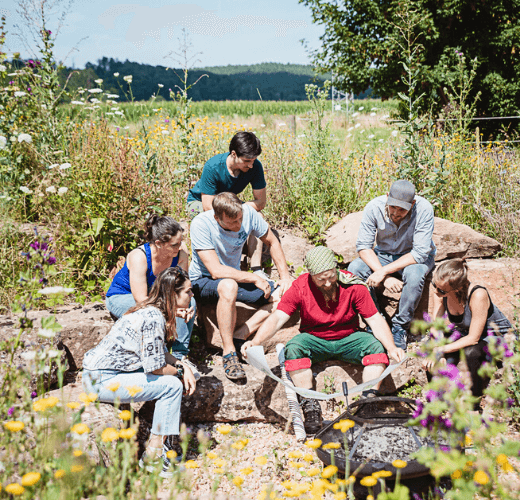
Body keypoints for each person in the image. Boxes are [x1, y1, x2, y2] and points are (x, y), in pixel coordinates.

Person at [242, 246, 405, 434]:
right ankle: (310, 405)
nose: (327, 284)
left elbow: (374, 319)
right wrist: (256, 342)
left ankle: (367, 404)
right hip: (314, 338)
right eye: (321, 279)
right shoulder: (300, 287)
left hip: (349, 336)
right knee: (294, 347)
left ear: (336, 270)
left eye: (331, 277)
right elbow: (278, 317)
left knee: (376, 347)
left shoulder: (353, 285)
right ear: (311, 275)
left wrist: (391, 347)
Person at [83, 267, 197, 478]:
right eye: (188, 291)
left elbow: (161, 352)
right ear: (173, 294)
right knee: (172, 386)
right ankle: (153, 459)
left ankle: (166, 446)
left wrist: (184, 366)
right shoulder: (153, 318)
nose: (192, 295)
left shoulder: (153, 310)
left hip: (104, 375)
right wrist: (181, 371)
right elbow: (156, 367)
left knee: (177, 378)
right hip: (102, 380)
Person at [189, 192, 293, 380]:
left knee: (287, 295)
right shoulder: (201, 224)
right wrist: (252, 278)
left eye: (240, 220)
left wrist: (284, 277)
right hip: (202, 281)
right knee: (228, 285)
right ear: (216, 217)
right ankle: (229, 353)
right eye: (232, 223)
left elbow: (272, 241)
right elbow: (215, 271)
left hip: (235, 278)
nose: (238, 226)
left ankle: (240, 335)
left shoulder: (248, 213)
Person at [348, 180, 436, 350]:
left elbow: (419, 253)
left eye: (402, 209)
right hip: (384, 255)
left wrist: (382, 273)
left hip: (412, 257)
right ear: (387, 197)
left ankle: (400, 327)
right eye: (392, 207)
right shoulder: (374, 207)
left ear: (413, 204)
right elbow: (364, 247)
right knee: (355, 269)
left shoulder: (424, 209)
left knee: (415, 275)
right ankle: (375, 320)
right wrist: (385, 276)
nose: (396, 213)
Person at [423, 259, 516, 410]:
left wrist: (442, 350)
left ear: (458, 288)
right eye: (435, 286)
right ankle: (437, 400)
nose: (436, 292)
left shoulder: (477, 294)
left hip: (496, 335)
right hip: (465, 331)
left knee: (471, 352)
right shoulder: (440, 288)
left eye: (442, 291)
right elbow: (436, 324)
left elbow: (473, 338)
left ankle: (473, 406)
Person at [105, 214, 196, 368]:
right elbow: (141, 300)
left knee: (189, 300)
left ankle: (180, 356)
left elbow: (182, 287)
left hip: (156, 298)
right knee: (152, 313)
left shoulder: (180, 253)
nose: (179, 247)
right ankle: (159, 356)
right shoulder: (139, 257)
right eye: (174, 244)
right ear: (159, 243)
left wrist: (181, 307)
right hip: (123, 296)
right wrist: (171, 310)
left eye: (181, 242)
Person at [186, 131, 266, 273]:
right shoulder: (213, 166)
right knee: (214, 223)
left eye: (253, 160)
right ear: (234, 154)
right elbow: (208, 207)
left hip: (228, 202)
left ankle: (256, 268)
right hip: (199, 201)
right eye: (247, 161)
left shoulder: (255, 166)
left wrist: (242, 210)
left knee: (257, 216)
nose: (251, 165)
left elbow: (260, 202)